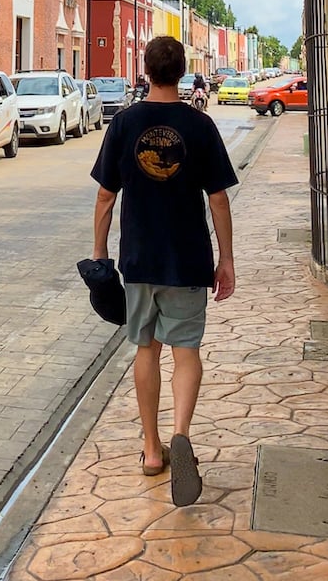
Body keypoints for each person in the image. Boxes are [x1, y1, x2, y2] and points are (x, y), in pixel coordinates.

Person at [90, 35, 236, 507]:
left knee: (145, 349)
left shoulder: (125, 123)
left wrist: (100, 256)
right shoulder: (200, 125)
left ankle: (153, 450)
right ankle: (181, 434)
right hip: (188, 258)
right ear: (183, 72)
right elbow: (217, 198)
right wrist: (226, 259)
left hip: (138, 259)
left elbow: (106, 197)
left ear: (146, 71)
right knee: (186, 351)